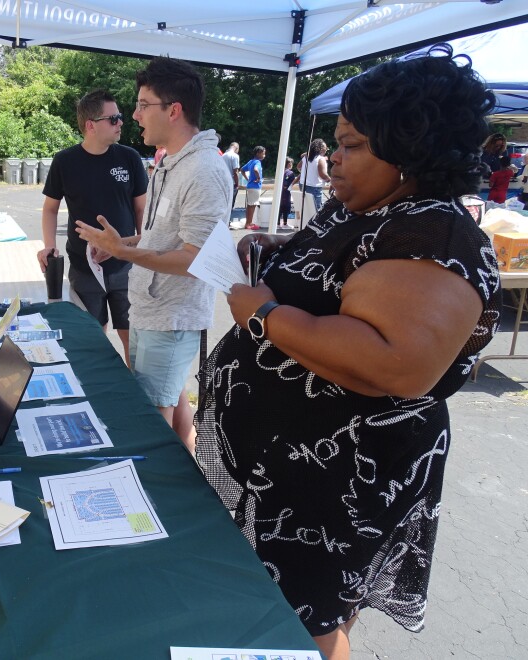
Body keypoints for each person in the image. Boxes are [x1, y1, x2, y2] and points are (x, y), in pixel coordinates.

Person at [194, 44, 501, 660]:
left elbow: (395, 360)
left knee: (304, 629)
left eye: (353, 145)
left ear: (413, 150)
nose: (333, 160)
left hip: (333, 484)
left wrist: (265, 315)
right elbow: (339, 277)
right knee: (281, 614)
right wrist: (285, 250)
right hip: (284, 472)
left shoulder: (432, 231)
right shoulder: (367, 210)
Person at [74, 56, 231, 450]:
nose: (135, 115)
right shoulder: (170, 163)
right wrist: (121, 244)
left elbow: (197, 260)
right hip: (150, 308)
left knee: (153, 421)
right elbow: (161, 238)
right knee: (171, 404)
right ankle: (189, 483)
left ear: (173, 110)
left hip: (172, 316)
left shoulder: (204, 171)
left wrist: (124, 252)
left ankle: (161, 500)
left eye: (144, 105)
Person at [38, 90, 148, 364]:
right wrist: (48, 246)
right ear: (90, 124)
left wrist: (135, 246)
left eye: (120, 118)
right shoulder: (65, 161)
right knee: (93, 337)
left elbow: (141, 210)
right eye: (114, 119)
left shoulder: (130, 158)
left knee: (132, 339)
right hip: (84, 266)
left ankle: (134, 395)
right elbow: (50, 208)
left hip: (126, 265)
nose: (121, 123)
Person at [298, 138, 331, 212]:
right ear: (321, 149)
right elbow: (322, 175)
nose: (326, 150)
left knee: (306, 208)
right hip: (314, 187)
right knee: (316, 210)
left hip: (302, 185)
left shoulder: (306, 157)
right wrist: (330, 180)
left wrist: (307, 173)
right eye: (326, 148)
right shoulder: (320, 159)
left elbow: (298, 167)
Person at [241, 146, 266, 230]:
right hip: (255, 187)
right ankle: (249, 224)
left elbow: (242, 170)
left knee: (250, 205)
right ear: (258, 153)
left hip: (250, 186)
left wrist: (247, 179)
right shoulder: (257, 162)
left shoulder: (251, 161)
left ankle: (248, 222)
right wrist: (259, 178)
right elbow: (256, 170)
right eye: (263, 153)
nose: (264, 155)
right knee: (253, 205)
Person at [222, 141, 241, 220]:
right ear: (236, 148)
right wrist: (237, 183)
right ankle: (228, 220)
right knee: (231, 203)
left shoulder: (223, 155)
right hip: (231, 183)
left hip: (223, 182)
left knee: (224, 203)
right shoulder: (235, 156)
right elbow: (235, 172)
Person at [278, 156, 296, 228]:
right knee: (286, 207)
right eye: (290, 163)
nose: (291, 165)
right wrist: (286, 186)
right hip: (286, 193)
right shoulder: (289, 172)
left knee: (280, 208)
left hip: (280, 193)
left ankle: (278, 223)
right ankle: (285, 223)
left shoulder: (280, 171)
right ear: (288, 164)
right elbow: (286, 180)